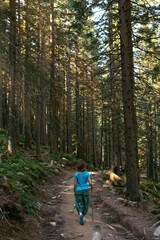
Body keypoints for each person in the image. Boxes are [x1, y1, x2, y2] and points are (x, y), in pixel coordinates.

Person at [74, 161, 93, 225]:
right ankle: (84, 215)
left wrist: (74, 191)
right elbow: (90, 183)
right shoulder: (87, 174)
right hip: (85, 190)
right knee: (86, 202)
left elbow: (75, 184)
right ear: (84, 168)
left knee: (79, 202)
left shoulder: (76, 174)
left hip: (78, 190)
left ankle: (81, 214)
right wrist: (91, 186)